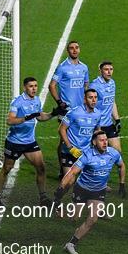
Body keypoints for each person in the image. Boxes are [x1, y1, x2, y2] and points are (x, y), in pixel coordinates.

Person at [53, 131, 126, 254]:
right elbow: (72, 172)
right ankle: (57, 210)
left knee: (92, 219)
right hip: (82, 189)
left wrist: (122, 184)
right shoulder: (87, 155)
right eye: (101, 140)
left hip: (98, 191)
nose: (105, 142)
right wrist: (61, 189)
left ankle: (70, 244)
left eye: (106, 139)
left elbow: (122, 166)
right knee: (74, 217)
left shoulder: (113, 153)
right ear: (94, 142)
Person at [0, 77, 57, 207]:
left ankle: (43, 198)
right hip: (15, 142)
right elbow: (10, 120)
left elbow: (40, 116)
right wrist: (25, 118)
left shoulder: (36, 100)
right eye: (31, 86)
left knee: (41, 168)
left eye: (35, 86)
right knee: (6, 168)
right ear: (25, 88)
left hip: (29, 142)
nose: (34, 88)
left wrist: (53, 114)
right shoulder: (17, 102)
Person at [48, 40, 89, 179]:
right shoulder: (62, 67)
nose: (74, 50)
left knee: (80, 137)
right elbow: (52, 85)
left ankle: (77, 166)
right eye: (71, 48)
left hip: (80, 110)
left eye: (77, 47)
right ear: (68, 51)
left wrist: (87, 100)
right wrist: (59, 102)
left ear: (80, 49)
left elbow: (86, 85)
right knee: (64, 139)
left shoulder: (84, 67)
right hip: (67, 111)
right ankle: (63, 167)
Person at [58, 89, 101, 176]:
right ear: (84, 99)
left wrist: (96, 144)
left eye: (95, 97)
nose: (93, 100)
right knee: (69, 181)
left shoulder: (98, 114)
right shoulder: (74, 112)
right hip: (69, 152)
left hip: (85, 153)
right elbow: (61, 129)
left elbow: (98, 130)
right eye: (91, 97)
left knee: (89, 181)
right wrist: (70, 148)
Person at [89, 61, 122, 152]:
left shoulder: (112, 83)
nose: (109, 72)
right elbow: (89, 106)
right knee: (97, 153)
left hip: (109, 124)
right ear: (101, 71)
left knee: (117, 152)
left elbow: (112, 101)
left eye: (111, 69)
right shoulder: (95, 86)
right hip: (97, 125)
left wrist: (117, 119)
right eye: (106, 69)